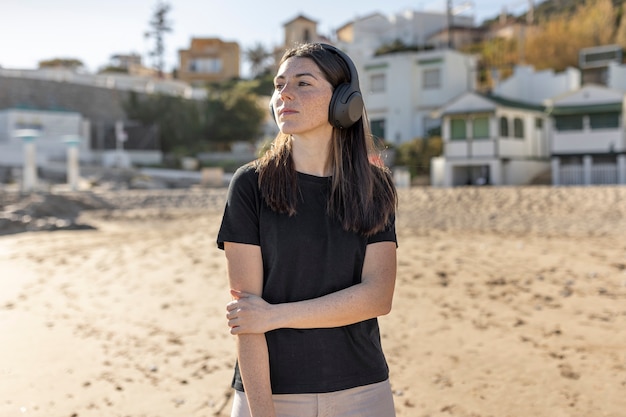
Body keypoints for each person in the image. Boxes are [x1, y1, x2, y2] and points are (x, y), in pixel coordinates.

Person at [217, 42, 398, 417]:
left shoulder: (374, 187)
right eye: (279, 84)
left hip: (363, 391)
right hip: (271, 394)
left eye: (303, 83)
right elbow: (247, 318)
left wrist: (276, 315)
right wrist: (262, 411)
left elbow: (378, 296)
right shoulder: (250, 184)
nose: (284, 93)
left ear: (344, 100)